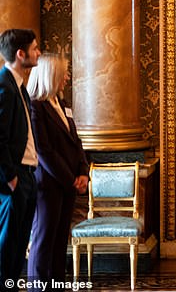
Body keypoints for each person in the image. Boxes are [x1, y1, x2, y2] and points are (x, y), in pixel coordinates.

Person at [26, 54, 89, 289]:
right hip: (49, 185)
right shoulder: (35, 106)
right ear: (50, 75)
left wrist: (83, 172)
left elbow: (76, 141)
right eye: (64, 72)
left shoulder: (61, 104)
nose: (68, 77)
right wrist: (70, 179)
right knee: (43, 242)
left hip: (68, 185)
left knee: (60, 241)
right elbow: (44, 150)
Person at [0, 29, 41, 290]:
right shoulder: (3, 85)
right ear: (20, 53)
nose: (38, 53)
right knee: (8, 245)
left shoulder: (20, 87)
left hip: (27, 175)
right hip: (14, 179)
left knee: (19, 243)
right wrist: (11, 177)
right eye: (35, 48)